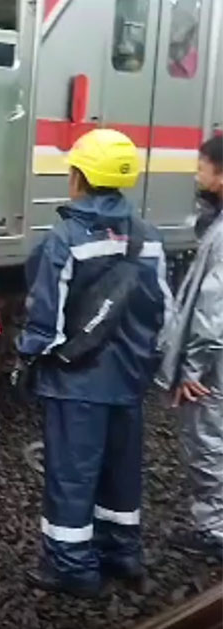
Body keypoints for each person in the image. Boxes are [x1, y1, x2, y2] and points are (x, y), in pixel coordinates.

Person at [17, 129, 169, 598]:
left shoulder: (66, 238)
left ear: (78, 177)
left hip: (77, 383)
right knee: (121, 471)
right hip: (128, 382)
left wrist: (27, 359)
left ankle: (72, 568)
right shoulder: (147, 238)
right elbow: (163, 311)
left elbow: (47, 320)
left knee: (72, 474)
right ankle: (123, 556)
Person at [156, 135, 223, 559]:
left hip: (215, 365)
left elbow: (214, 311)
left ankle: (214, 530)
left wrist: (192, 369)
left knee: (209, 440)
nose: (196, 175)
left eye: (202, 168)